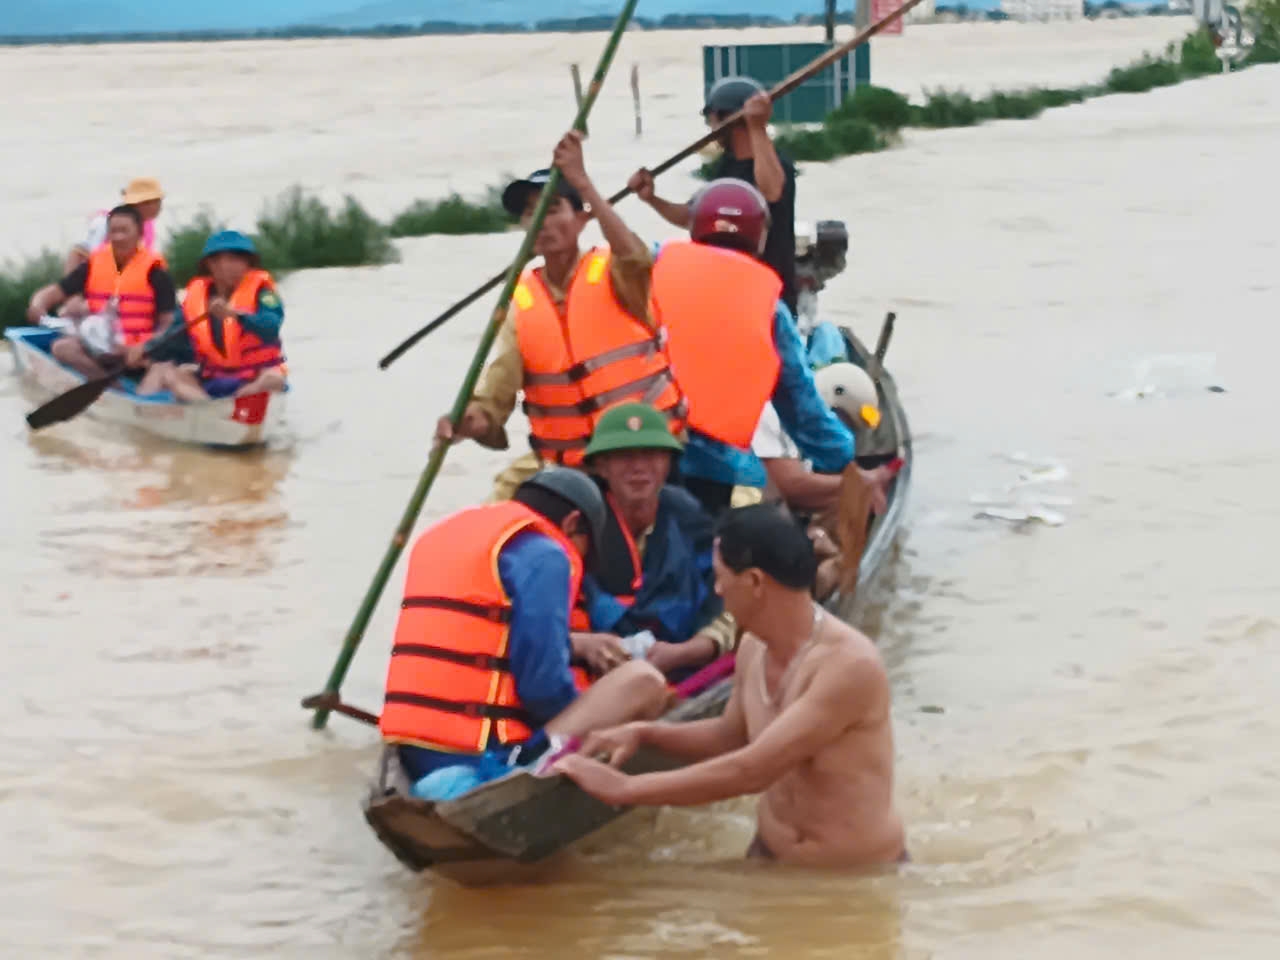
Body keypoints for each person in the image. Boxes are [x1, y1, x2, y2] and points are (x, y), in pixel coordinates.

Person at [554, 503, 906, 868]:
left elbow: (753, 770)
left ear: (754, 582)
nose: (718, 590)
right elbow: (730, 736)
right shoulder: (753, 646)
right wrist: (645, 733)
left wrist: (626, 789)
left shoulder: (848, 665)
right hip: (768, 857)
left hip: (853, 881)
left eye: (721, 577)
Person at [381, 466, 670, 789]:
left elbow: (489, 636)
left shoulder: (444, 537)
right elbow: (542, 688)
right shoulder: (546, 554)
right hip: (482, 763)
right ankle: (532, 766)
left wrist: (576, 645)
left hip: (414, 753)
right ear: (573, 523)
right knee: (643, 681)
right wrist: (591, 705)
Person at [436, 129, 676, 500]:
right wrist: (470, 421)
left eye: (552, 210)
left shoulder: (616, 271)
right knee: (496, 510)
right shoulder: (522, 303)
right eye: (531, 214)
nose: (542, 223)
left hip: (640, 455)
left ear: (581, 220)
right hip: (570, 468)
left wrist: (583, 182)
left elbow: (636, 257)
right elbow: (494, 399)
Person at [660, 179, 854, 517]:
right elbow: (800, 404)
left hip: (641, 448)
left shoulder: (653, 274)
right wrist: (843, 456)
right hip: (716, 470)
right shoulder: (769, 309)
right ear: (759, 237)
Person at [575, 402, 736, 682]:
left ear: (667, 464)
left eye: (650, 455)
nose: (638, 468)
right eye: (624, 456)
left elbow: (730, 603)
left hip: (682, 666)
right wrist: (584, 644)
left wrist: (689, 651)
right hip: (595, 674)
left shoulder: (689, 520)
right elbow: (541, 623)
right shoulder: (578, 528)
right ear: (601, 467)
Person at [630, 76, 798, 314]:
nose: (712, 130)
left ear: (727, 119)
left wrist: (756, 127)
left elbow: (771, 191)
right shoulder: (725, 168)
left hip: (771, 295)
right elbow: (692, 216)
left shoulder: (777, 164)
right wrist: (652, 199)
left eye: (713, 122)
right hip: (728, 290)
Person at [131, 230, 287, 401]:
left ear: (248, 264)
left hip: (253, 379)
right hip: (212, 380)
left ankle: (227, 408)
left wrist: (235, 315)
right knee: (162, 370)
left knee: (274, 378)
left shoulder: (263, 294)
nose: (228, 267)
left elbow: (271, 326)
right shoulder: (195, 300)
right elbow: (173, 337)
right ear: (210, 265)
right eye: (219, 260)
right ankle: (203, 410)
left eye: (237, 260)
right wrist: (146, 350)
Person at [27, 204, 176, 378]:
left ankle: (116, 386)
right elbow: (55, 292)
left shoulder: (157, 273)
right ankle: (109, 385)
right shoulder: (93, 264)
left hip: (135, 350)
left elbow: (168, 324)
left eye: (124, 231)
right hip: (97, 346)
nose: (118, 237)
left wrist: (145, 346)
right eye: (113, 231)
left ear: (139, 233)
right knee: (62, 348)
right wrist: (37, 305)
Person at [66, 176, 165, 272]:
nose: (160, 207)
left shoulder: (148, 225)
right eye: (157, 202)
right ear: (143, 203)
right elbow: (79, 252)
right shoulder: (104, 222)